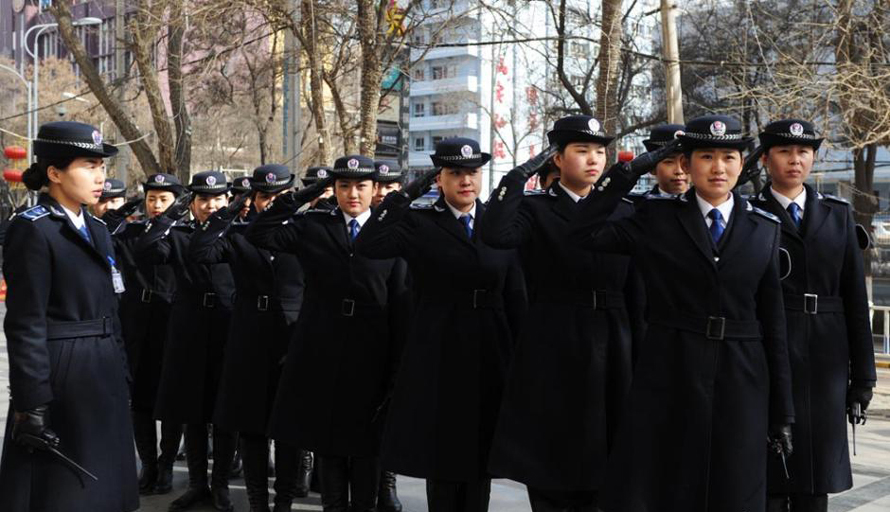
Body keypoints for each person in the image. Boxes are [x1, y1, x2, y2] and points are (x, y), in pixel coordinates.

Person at [571, 114, 795, 512]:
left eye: (728, 157)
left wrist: (782, 411)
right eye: (705, 156)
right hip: (671, 369)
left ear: (741, 165)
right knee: (668, 488)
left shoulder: (764, 227)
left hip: (741, 375)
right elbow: (583, 232)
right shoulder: (656, 217)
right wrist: (630, 170)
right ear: (686, 164)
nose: (717, 167)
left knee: (734, 490)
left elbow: (773, 322)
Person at [357, 138, 527, 512]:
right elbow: (369, 244)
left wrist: (518, 355)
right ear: (440, 179)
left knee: (481, 451)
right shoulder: (420, 221)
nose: (466, 181)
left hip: (490, 345)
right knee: (443, 450)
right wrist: (405, 195)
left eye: (472, 173)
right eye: (455, 174)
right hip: (440, 345)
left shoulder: (498, 222)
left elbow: (516, 291)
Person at [480, 116, 635, 512]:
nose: (593, 160)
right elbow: (496, 234)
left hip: (613, 339)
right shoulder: (536, 208)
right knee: (552, 454)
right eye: (581, 151)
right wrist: (515, 179)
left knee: (612, 455)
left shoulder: (624, 208)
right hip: (555, 338)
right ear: (557, 158)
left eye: (600, 152)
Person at [247, 155, 409, 512]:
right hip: (322, 348)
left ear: (375, 189)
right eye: (343, 185)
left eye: (361, 186)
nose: (353, 194)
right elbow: (260, 232)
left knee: (367, 448)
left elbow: (399, 300)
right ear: (333, 189)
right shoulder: (314, 226)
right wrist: (306, 194)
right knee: (329, 444)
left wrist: (398, 367)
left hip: (372, 352)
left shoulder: (390, 232)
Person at [0, 121, 139, 512]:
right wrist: (33, 403)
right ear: (55, 173)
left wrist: (122, 372)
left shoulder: (97, 227)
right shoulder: (33, 230)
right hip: (63, 377)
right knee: (64, 492)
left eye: (102, 167)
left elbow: (112, 307)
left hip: (104, 372)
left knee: (109, 490)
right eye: (90, 165)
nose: (100, 177)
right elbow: (26, 324)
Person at [748, 119, 877, 512]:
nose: (795, 160)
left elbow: (855, 298)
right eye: (785, 152)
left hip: (825, 355)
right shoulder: (750, 214)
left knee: (815, 475)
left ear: (813, 158)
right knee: (768, 470)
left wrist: (863, 377)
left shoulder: (836, 215)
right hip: (769, 348)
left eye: (803, 152)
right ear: (766, 158)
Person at [190, 164, 307, 512]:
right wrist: (226, 211)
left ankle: (283, 500)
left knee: (288, 427)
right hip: (249, 337)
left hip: (292, 334)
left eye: (278, 196)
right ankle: (257, 501)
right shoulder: (239, 233)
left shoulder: (306, 232)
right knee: (252, 426)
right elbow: (200, 252)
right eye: (262, 196)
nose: (268, 203)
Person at [138, 171, 238, 512]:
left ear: (227, 200)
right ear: (192, 203)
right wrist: (168, 215)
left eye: (216, 199)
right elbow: (147, 250)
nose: (209, 205)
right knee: (192, 409)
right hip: (189, 328)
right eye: (202, 200)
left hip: (227, 326)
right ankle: (197, 483)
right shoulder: (178, 233)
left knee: (224, 411)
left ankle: (221, 483)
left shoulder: (237, 233)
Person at [105, 173, 185, 496]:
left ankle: (166, 465)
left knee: (169, 399)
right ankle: (148, 464)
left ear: (175, 202)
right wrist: (130, 207)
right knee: (139, 401)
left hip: (170, 323)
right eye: (151, 198)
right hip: (136, 322)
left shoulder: (183, 234)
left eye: (163, 199)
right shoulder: (132, 231)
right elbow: (106, 227)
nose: (156, 205)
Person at [369, 159, 407, 512]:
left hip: (402, 330)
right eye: (377, 187)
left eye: (389, 187)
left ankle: (387, 483)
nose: (381, 193)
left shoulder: (414, 225)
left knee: (391, 416)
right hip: (367, 332)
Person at [628, 124, 688, 203]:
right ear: (652, 168)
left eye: (686, 162)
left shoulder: (705, 206)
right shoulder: (637, 207)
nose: (679, 171)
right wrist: (629, 172)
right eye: (669, 162)